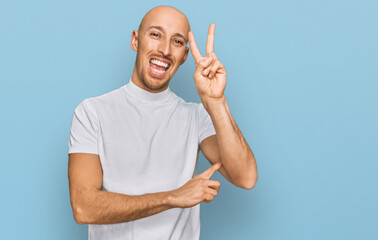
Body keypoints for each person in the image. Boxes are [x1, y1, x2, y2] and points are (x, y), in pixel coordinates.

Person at [68, 5, 257, 240]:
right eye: (156, 35)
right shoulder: (92, 112)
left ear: (185, 56)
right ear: (135, 40)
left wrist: (215, 100)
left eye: (177, 42)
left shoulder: (197, 117)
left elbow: (246, 178)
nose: (165, 50)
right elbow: (83, 206)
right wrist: (172, 197)